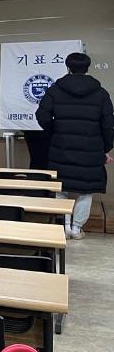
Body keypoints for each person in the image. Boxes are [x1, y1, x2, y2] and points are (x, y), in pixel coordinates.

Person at [36, 52, 114, 239]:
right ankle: (77, 228)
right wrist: (105, 148)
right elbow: (108, 125)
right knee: (86, 190)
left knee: (61, 189)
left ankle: (63, 227)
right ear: (87, 68)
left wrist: (55, 131)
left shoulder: (55, 90)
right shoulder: (101, 93)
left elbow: (42, 116)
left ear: (68, 67)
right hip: (91, 150)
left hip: (61, 148)